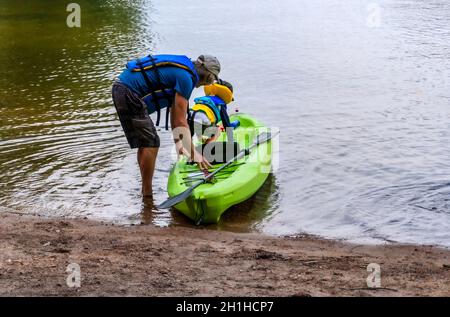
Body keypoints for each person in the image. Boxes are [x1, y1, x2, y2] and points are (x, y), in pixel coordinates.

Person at [112, 54, 221, 197]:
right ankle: (147, 194)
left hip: (122, 89)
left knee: (147, 142)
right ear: (208, 74)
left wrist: (179, 144)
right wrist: (195, 154)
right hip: (128, 91)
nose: (211, 82)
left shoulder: (185, 74)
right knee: (151, 143)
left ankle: (145, 192)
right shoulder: (186, 78)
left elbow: (175, 115)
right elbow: (181, 121)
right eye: (213, 78)